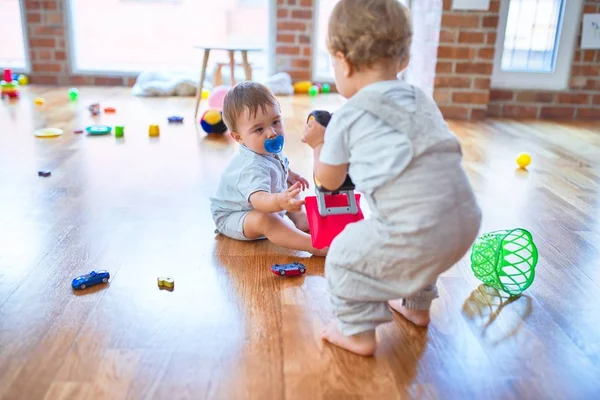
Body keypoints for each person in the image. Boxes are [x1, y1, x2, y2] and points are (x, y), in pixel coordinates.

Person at [302, 0, 482, 356]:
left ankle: (357, 331)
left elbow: (329, 182)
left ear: (344, 61)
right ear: (404, 59)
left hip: (418, 231)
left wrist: (319, 144)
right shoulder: (421, 98)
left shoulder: (348, 117)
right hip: (465, 221)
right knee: (423, 229)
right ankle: (416, 307)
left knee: (343, 252)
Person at [210, 81, 327, 256]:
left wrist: (290, 175)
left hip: (264, 201)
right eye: (259, 129)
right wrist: (280, 201)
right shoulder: (250, 167)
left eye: (275, 122)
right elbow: (258, 199)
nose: (272, 132)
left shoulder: (265, 148)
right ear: (238, 138)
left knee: (289, 188)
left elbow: (278, 166)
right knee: (266, 219)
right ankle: (312, 245)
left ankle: (300, 219)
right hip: (234, 215)